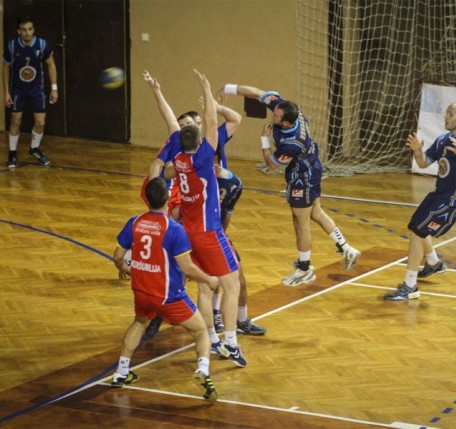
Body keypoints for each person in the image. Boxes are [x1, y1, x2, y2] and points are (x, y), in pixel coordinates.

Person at [217, 84, 361, 287]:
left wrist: (264, 139)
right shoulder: (286, 108)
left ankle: (304, 269)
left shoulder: (292, 143)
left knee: (301, 222)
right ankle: (346, 248)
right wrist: (227, 88)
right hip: (312, 167)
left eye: (276, 115)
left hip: (302, 177)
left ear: (285, 122)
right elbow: (258, 93)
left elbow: (271, 165)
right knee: (316, 212)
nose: (272, 114)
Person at [149, 69, 247, 368]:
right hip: (208, 232)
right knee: (232, 286)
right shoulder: (204, 157)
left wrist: (157, 91)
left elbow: (172, 126)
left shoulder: (178, 160)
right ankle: (231, 342)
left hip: (189, 231)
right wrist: (206, 88)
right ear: (200, 139)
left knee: (206, 287)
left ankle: (213, 339)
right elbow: (213, 123)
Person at [112, 177, 219, 402]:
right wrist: (209, 279)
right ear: (168, 199)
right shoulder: (174, 229)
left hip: (141, 290)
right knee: (201, 331)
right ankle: (203, 370)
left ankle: (121, 372)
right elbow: (187, 268)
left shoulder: (134, 222)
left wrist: (125, 269)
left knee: (140, 323)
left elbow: (118, 256)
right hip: (169, 296)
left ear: (146, 198)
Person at [384, 102, 456, 301]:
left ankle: (410, 286)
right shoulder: (443, 139)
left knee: (419, 231)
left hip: (454, 200)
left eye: (450, 114)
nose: (446, 117)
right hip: (438, 194)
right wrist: (417, 151)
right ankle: (433, 263)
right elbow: (423, 163)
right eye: (446, 113)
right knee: (415, 225)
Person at [178, 108, 267, 337]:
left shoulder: (198, 153)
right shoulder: (194, 157)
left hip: (207, 229)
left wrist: (215, 106)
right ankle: (221, 335)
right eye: (187, 124)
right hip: (202, 230)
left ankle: (232, 323)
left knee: (229, 280)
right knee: (215, 283)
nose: (195, 125)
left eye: (197, 122)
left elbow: (233, 119)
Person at [3, 16, 58, 168]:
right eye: (24, 30)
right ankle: (12, 153)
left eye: (30, 29)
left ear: (33, 30)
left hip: (36, 89)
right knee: (15, 121)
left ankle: (34, 148)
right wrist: (6, 92)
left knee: (40, 122)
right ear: (18, 31)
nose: (27, 33)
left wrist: (54, 89)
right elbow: (6, 67)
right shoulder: (12, 46)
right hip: (17, 90)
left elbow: (51, 65)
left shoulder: (42, 44)